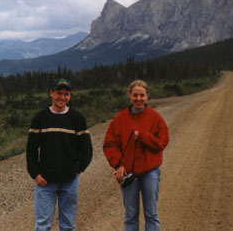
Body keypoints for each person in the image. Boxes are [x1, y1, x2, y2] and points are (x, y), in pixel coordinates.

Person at [26, 78, 93, 231]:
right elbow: (31, 150)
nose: (62, 97)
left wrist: (78, 169)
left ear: (70, 96)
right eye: (59, 93)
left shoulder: (77, 118)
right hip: (45, 181)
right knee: (43, 225)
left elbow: (87, 150)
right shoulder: (40, 118)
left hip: (69, 181)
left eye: (66, 94)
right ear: (51, 93)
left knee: (68, 226)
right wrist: (35, 174)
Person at [103, 79, 170, 231]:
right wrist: (119, 164)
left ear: (147, 96)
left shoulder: (155, 117)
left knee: (151, 214)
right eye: (135, 95)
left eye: (142, 95)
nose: (138, 99)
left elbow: (162, 142)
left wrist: (144, 136)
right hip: (128, 172)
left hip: (150, 172)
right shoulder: (120, 119)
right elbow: (109, 144)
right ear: (130, 95)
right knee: (131, 216)